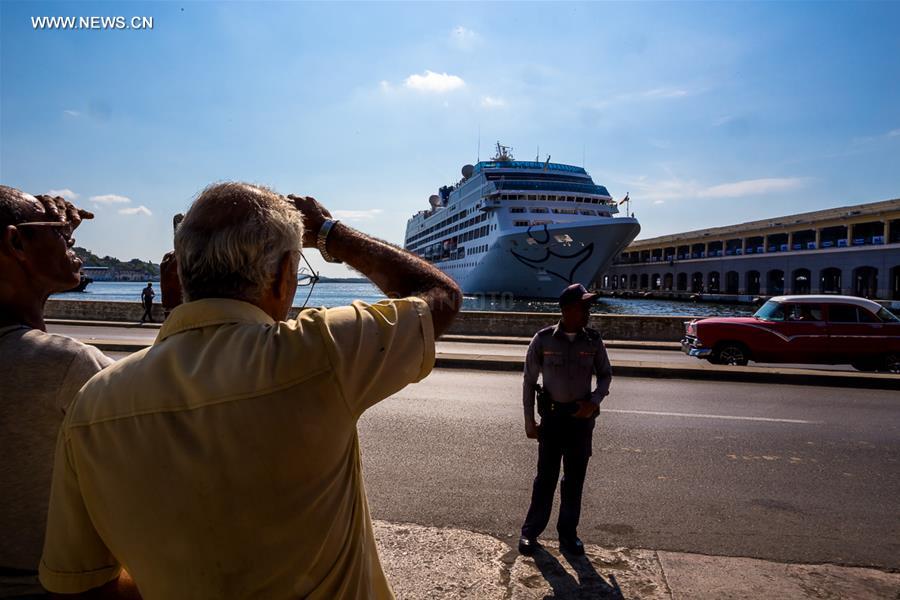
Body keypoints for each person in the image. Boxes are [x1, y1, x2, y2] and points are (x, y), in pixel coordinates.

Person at [39, 182, 461, 598]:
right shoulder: (319, 353)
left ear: (182, 271)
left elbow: (81, 584)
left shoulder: (93, 405)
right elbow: (439, 296)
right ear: (281, 277)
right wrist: (330, 233)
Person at [0, 186, 117, 598]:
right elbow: (166, 408)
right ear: (15, 242)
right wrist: (184, 302)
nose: (73, 245)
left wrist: (46, 232)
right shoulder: (65, 365)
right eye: (63, 236)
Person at [518, 283, 612, 557]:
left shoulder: (593, 341)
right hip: (553, 418)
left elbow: (605, 375)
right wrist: (528, 421)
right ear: (569, 309)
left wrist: (594, 401)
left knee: (574, 480)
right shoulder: (543, 339)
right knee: (545, 478)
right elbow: (528, 381)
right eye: (584, 306)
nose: (588, 311)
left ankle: (568, 536)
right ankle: (530, 533)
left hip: (581, 421)